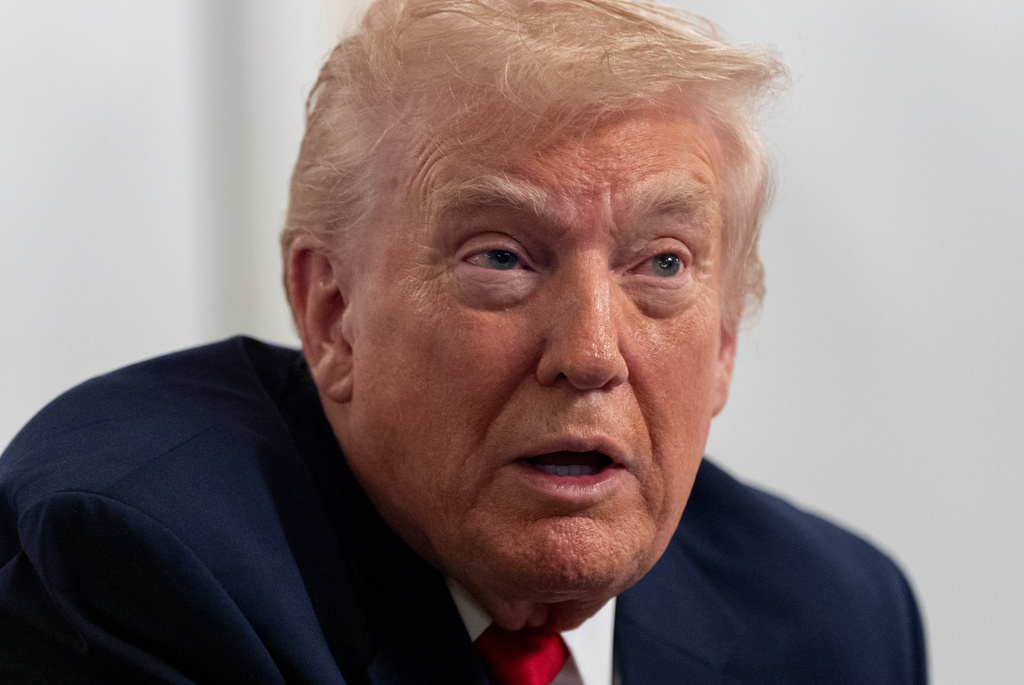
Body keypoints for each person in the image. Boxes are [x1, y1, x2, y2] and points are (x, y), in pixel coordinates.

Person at [0, 0, 926, 682]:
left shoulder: (833, 620)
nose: (592, 351)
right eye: (502, 257)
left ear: (724, 340)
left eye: (664, 263)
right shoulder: (143, 559)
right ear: (332, 314)